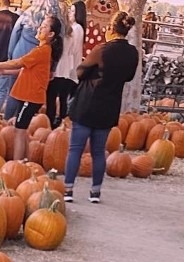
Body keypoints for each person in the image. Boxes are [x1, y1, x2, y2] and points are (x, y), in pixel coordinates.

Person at [64, 10, 139, 203]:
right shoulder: (133, 53)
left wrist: (90, 72)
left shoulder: (101, 49)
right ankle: (95, 192)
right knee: (99, 151)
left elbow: (80, 72)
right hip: (109, 105)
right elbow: (129, 77)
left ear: (111, 29)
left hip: (87, 103)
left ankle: (68, 190)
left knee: (76, 149)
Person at [0, 14, 62, 161]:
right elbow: (25, 69)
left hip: (31, 96)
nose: (40, 27)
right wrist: (5, 71)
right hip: (28, 95)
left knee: (19, 131)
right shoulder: (41, 50)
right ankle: (24, 161)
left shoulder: (42, 51)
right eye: (42, 24)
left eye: (45, 26)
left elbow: (19, 63)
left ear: (51, 34)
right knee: (22, 130)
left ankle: (17, 163)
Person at [47, 0, 84, 125]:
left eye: (72, 11)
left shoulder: (73, 30)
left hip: (62, 67)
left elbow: (72, 50)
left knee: (54, 97)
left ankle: (54, 122)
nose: (70, 14)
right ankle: (60, 121)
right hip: (66, 67)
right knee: (61, 97)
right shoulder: (71, 30)